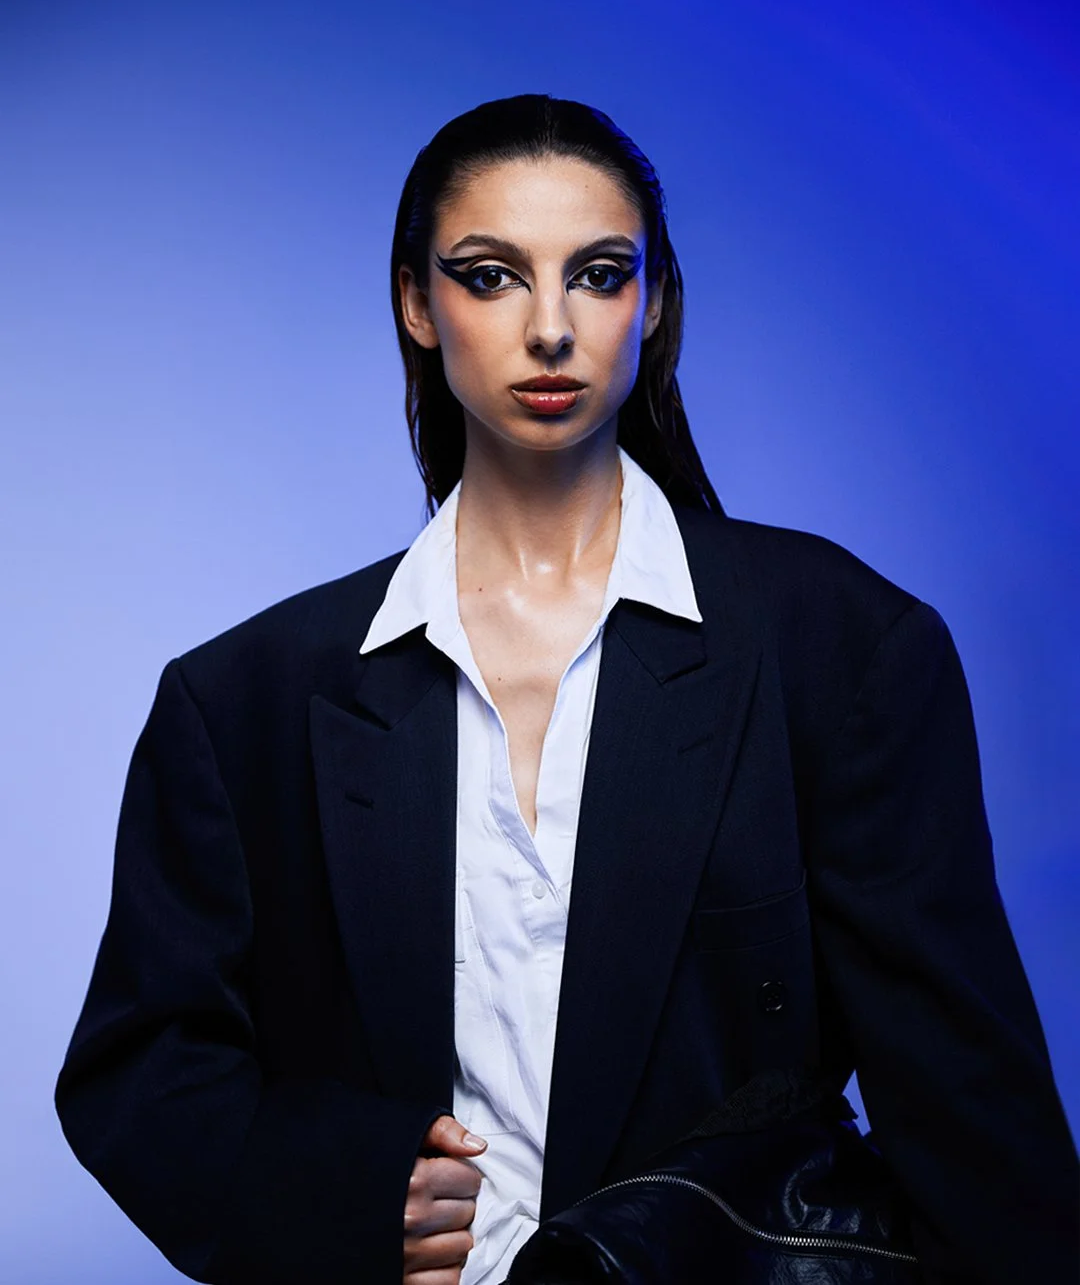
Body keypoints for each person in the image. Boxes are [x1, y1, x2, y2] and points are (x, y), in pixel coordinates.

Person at [55, 94, 1077, 1285]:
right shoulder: (246, 699)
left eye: (597, 274)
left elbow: (963, 1097)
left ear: (652, 302)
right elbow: (140, 1068)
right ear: (415, 304)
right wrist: (346, 1187)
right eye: (490, 277)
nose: (550, 328)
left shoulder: (842, 648)